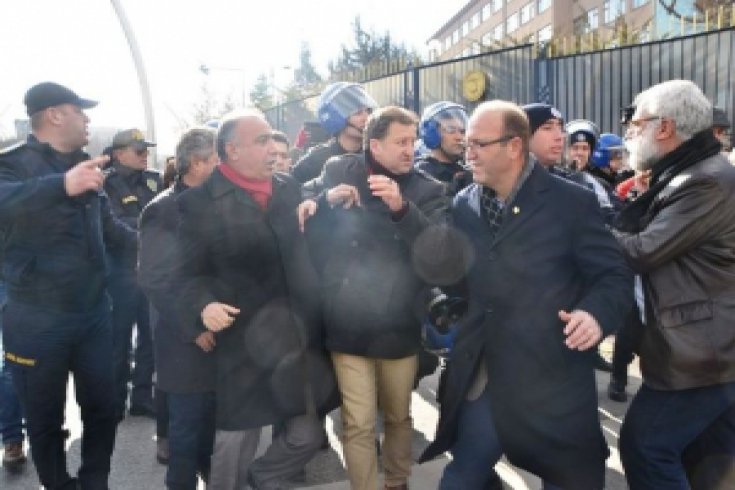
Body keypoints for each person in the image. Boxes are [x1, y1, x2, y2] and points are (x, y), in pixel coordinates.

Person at [420, 100, 633, 490]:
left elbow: (613, 277)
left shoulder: (572, 202)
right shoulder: (466, 202)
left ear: (514, 146)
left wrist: (595, 314)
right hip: (487, 376)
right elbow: (462, 281)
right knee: (462, 478)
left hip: (552, 381)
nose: (468, 154)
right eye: (466, 144)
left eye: (478, 145)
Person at [176, 110, 338, 490]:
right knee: (237, 438)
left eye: (272, 139)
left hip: (292, 338)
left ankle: (266, 476)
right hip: (241, 343)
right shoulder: (198, 203)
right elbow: (183, 273)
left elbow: (304, 248)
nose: (273, 147)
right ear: (231, 149)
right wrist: (203, 306)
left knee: (307, 434)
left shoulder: (288, 189)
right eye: (261, 140)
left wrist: (323, 206)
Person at [298, 106, 449, 490]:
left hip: (399, 322)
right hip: (348, 318)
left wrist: (402, 209)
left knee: (398, 416)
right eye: (401, 142)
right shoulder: (339, 169)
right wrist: (321, 197)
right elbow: (305, 190)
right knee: (358, 421)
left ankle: (396, 481)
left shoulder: (427, 188)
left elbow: (438, 250)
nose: (409, 150)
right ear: (375, 144)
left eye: (412, 142)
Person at [0, 81, 135, 489]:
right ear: (55, 114)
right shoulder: (14, 164)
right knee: (44, 419)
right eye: (81, 110)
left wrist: (171, 238)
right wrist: (60, 186)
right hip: (35, 319)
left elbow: (113, 231)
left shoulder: (88, 167)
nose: (88, 118)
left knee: (104, 408)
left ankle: (94, 482)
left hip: (93, 314)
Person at [613, 80, 735, 490]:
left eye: (637, 124)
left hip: (701, 354)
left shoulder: (705, 180)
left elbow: (641, 251)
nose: (632, 134)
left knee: (645, 447)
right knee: (708, 461)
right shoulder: (689, 173)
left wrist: (584, 225)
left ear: (664, 128)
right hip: (708, 349)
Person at [139, 128, 220, 490]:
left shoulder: (223, 202)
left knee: (213, 438)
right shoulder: (163, 210)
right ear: (198, 163)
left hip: (223, 337)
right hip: (184, 342)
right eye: (220, 159)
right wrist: (194, 328)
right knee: (185, 437)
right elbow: (156, 281)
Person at [104, 128, 162, 421]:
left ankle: (141, 396)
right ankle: (114, 400)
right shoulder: (105, 183)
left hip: (150, 270)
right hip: (119, 272)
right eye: (139, 150)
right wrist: (148, 236)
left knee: (150, 336)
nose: (145, 155)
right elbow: (110, 224)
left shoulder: (154, 179)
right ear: (119, 154)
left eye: (146, 150)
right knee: (118, 339)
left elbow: (166, 214)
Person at [291, 82, 377, 183]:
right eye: (358, 113)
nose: (367, 117)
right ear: (336, 118)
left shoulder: (376, 154)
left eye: (368, 111)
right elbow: (291, 189)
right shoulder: (316, 159)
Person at [415, 101, 472, 195]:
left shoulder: (465, 170)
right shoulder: (422, 171)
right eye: (451, 130)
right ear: (432, 134)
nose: (459, 137)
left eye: (462, 131)